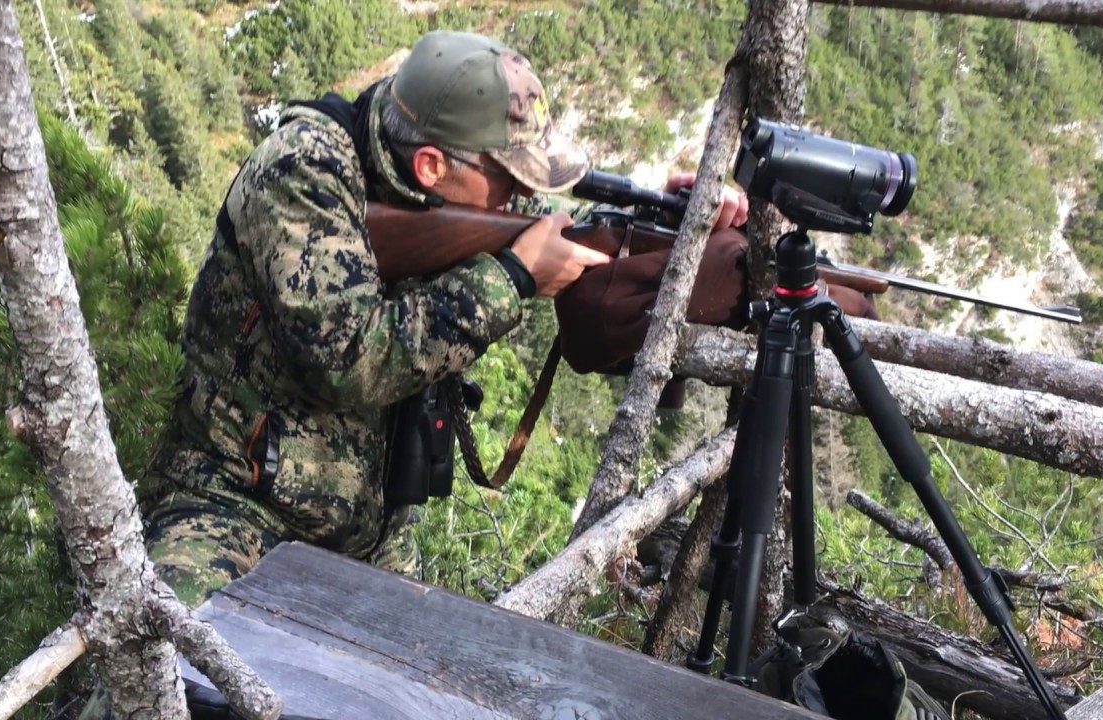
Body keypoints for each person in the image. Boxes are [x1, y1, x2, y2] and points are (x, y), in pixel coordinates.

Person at [134, 29, 757, 610]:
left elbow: (558, 234)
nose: (521, 200)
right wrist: (513, 277)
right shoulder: (303, 172)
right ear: (432, 166)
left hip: (369, 537)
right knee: (171, 661)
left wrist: (680, 225)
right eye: (509, 181)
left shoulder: (441, 175)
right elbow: (349, 361)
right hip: (231, 506)